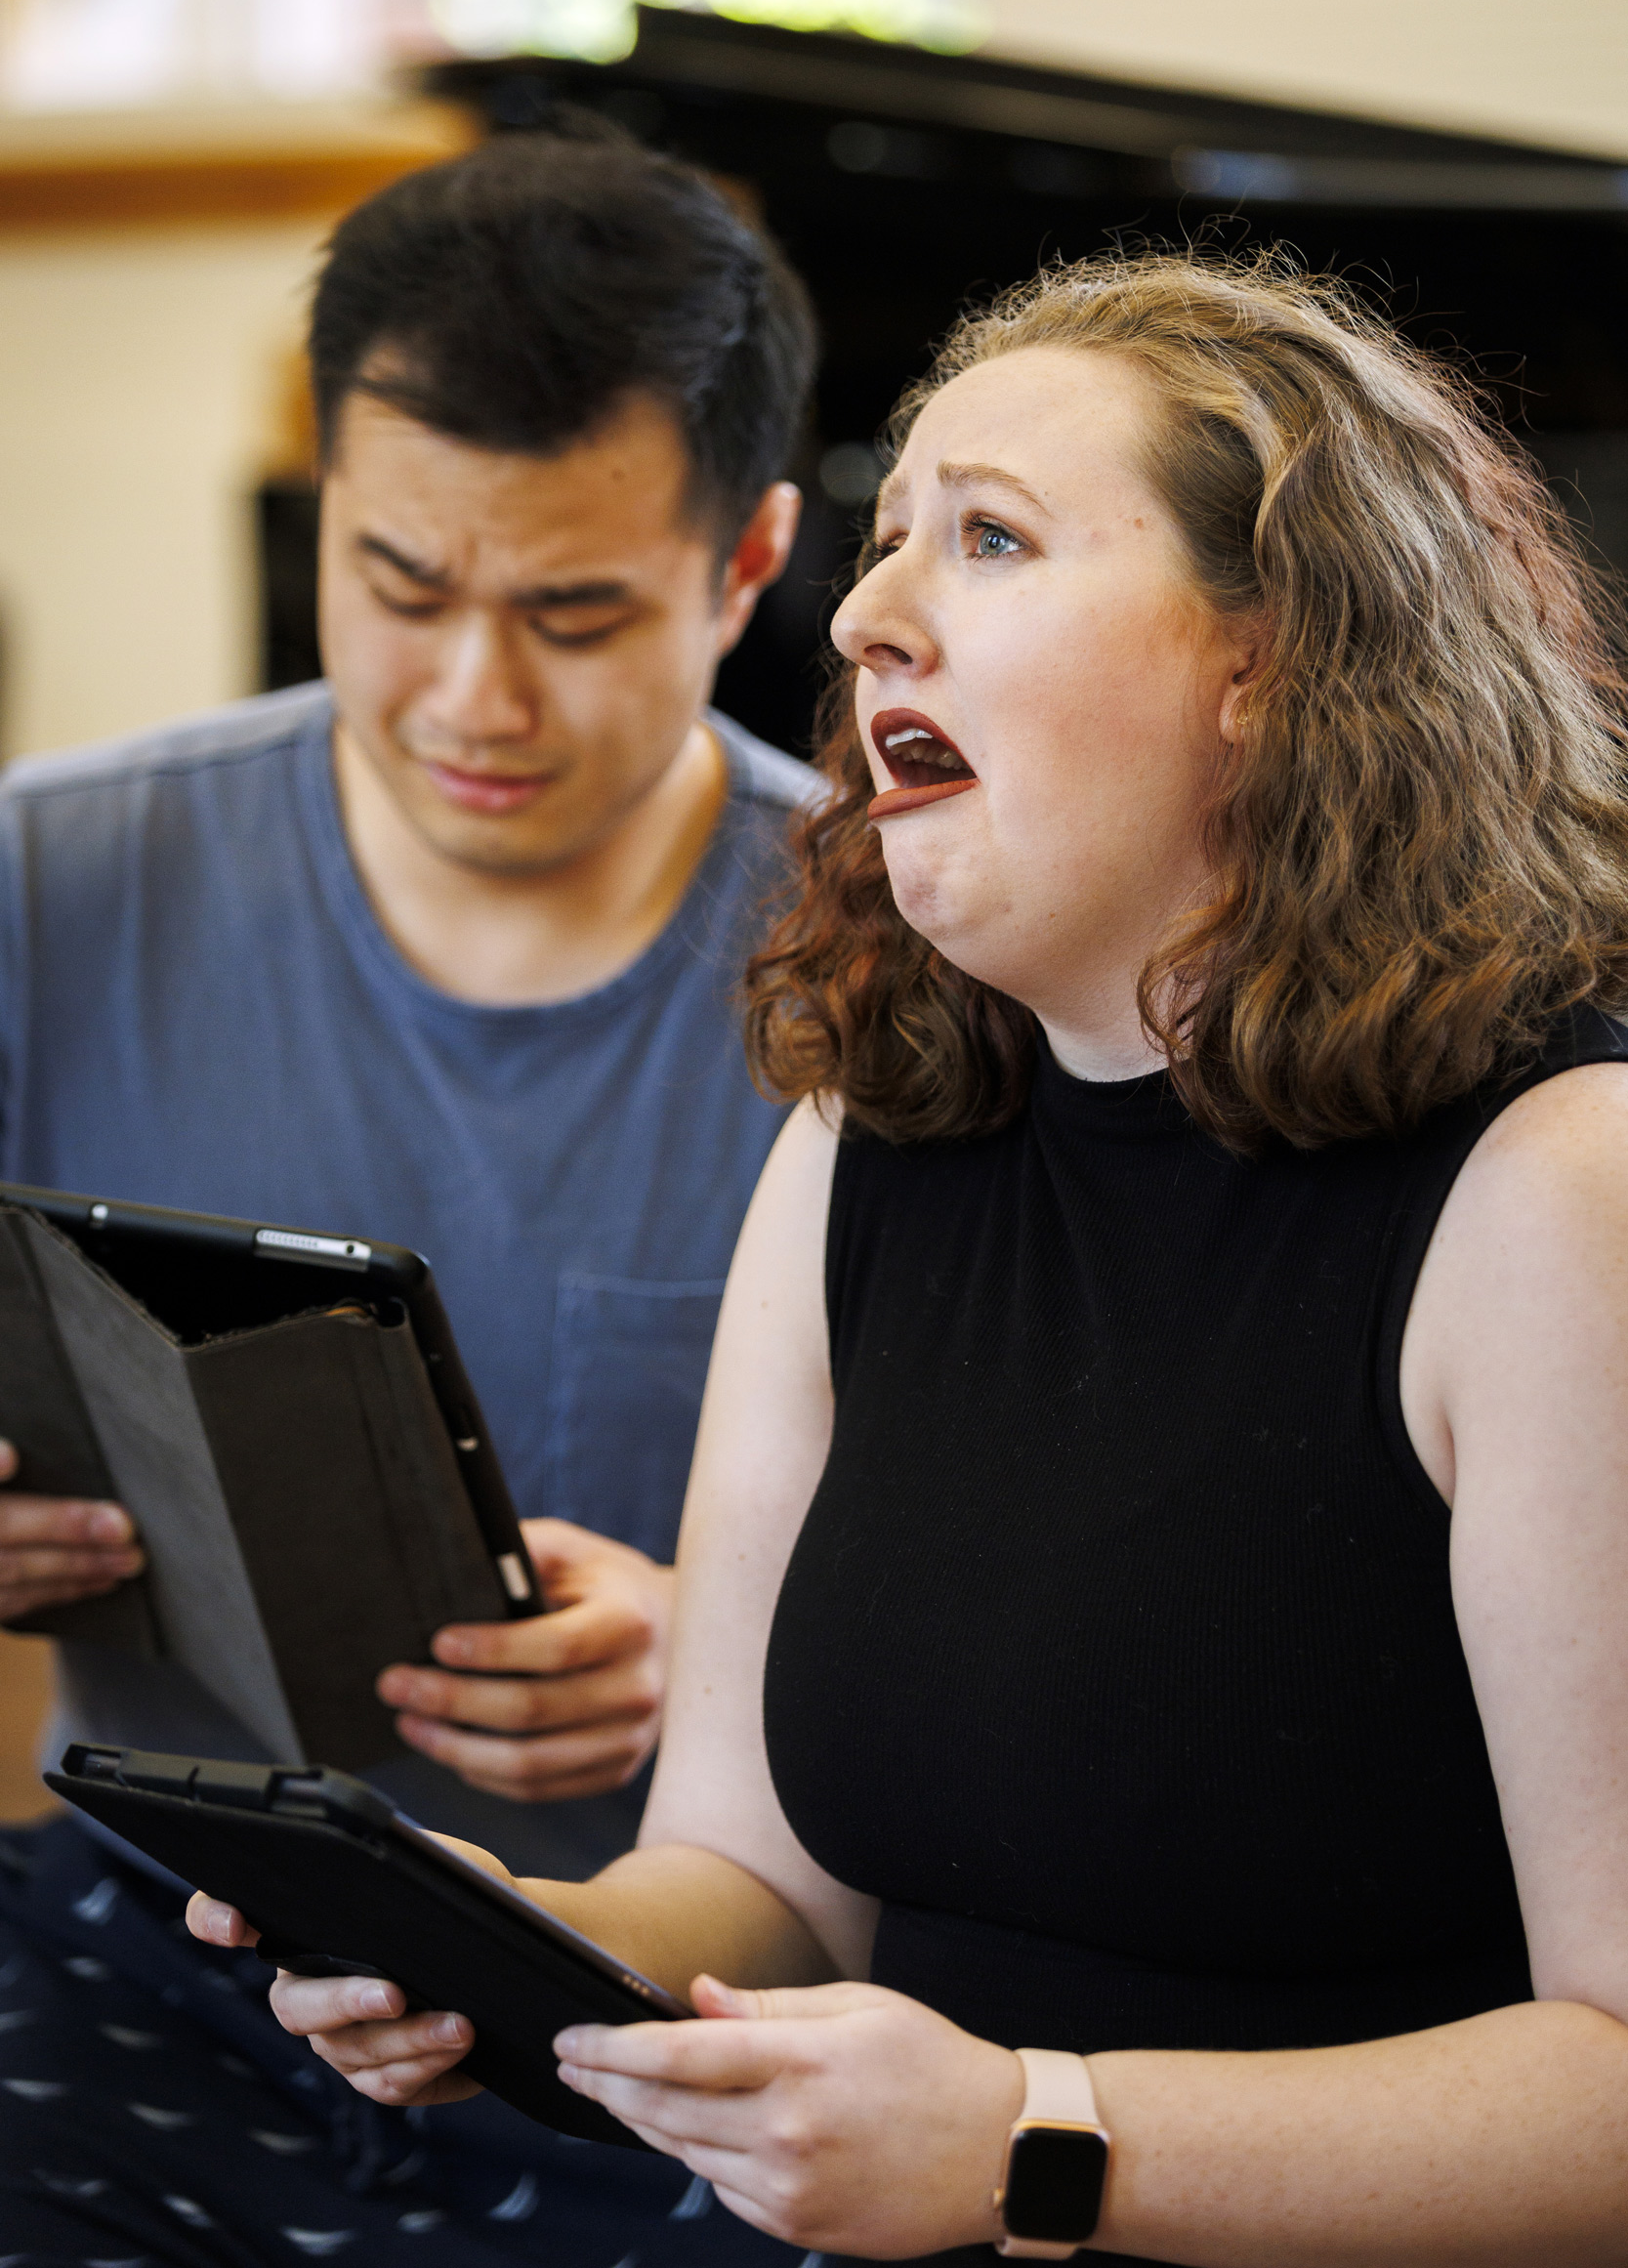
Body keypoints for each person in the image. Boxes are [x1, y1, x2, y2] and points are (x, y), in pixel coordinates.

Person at [219, 251, 1628, 2266]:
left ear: (1270, 658)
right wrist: (504, 1945)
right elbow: (757, 1885)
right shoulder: (866, 1143)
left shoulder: (1563, 1190)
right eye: (885, 546)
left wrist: (1037, 2140)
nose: (868, 615)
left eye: (988, 539)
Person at [0, 119, 819, 2260]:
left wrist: (734, 1656)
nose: (474, 696)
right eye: (400, 584)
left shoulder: (902, 972)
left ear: (748, 571)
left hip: (681, 2014)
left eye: (574, 610)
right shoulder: (49, 874)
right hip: (156, 1947)